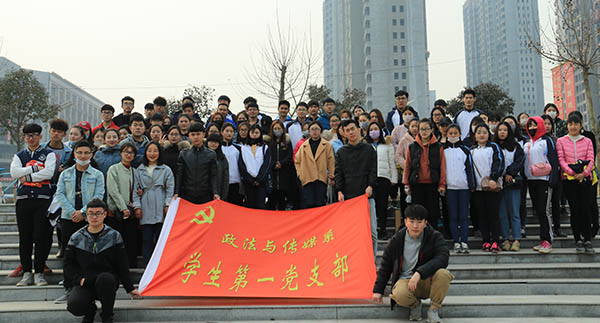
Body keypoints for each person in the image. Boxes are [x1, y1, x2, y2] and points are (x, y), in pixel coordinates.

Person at [372, 204, 453, 323]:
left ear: (425, 223)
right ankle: (415, 305)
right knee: (398, 294)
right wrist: (378, 290)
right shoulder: (396, 240)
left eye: (419, 222)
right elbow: (385, 266)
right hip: (405, 281)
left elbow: (443, 258)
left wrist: (420, 273)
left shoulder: (435, 237)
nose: (415, 226)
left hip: (426, 280)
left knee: (444, 274)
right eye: (411, 221)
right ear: (405, 222)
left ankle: (433, 310)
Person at [64, 199, 140, 323]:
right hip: (85, 282)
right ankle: (89, 311)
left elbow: (122, 264)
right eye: (91, 213)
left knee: (105, 279)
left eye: (98, 213)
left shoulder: (114, 236)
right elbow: (68, 265)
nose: (94, 217)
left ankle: (107, 315)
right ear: (86, 215)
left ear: (104, 214)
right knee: (74, 305)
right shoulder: (76, 238)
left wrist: (130, 288)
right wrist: (78, 279)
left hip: (106, 282)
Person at [10, 123, 56, 286]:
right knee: (25, 237)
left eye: (35, 135)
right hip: (23, 201)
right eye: (28, 135)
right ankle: (27, 272)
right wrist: (36, 168)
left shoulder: (48, 154)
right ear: (24, 137)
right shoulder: (20, 155)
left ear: (40, 136)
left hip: (42, 200)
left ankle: (39, 273)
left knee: (41, 236)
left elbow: (49, 173)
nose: (31, 138)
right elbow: (15, 173)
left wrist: (27, 176)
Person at [335, 119, 378, 256]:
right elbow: (338, 172)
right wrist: (339, 190)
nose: (351, 132)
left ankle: (372, 262)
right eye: (347, 130)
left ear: (359, 129)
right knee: (352, 232)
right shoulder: (341, 152)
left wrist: (370, 185)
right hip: (349, 197)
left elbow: (373, 170)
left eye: (353, 129)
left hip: (367, 195)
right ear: (344, 134)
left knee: (371, 232)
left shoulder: (368, 149)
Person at [56, 140, 105, 257]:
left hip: (89, 218)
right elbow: (60, 194)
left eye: (86, 153)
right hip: (69, 217)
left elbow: (98, 195)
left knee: (88, 252)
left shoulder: (97, 174)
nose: (83, 156)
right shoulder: (65, 173)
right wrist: (73, 212)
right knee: (69, 252)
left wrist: (83, 212)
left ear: (91, 154)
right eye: (80, 152)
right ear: (74, 154)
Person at [557, 114, 596, 254]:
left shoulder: (587, 141)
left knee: (585, 209)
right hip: (569, 180)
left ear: (580, 125)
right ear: (567, 125)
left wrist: (584, 173)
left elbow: (591, 159)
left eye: (576, 124)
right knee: (575, 210)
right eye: (570, 124)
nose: (573, 127)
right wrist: (571, 172)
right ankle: (577, 239)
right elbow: (561, 160)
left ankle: (588, 239)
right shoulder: (561, 141)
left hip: (585, 180)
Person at [133, 141, 174, 266]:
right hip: (146, 206)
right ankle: (147, 267)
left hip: (161, 205)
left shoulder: (166, 169)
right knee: (147, 240)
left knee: (161, 239)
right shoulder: (139, 170)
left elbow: (170, 189)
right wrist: (137, 206)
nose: (152, 153)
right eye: (149, 150)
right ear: (145, 153)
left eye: (155, 151)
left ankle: (161, 266)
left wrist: (167, 204)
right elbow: (135, 190)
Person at [523, 116, 560, 254]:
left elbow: (553, 160)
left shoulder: (547, 141)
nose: (532, 128)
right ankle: (542, 239)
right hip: (531, 180)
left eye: (535, 125)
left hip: (544, 180)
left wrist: (552, 180)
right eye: (530, 125)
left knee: (544, 211)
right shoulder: (526, 144)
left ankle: (547, 240)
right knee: (538, 210)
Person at [403, 119, 447, 231]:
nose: (424, 132)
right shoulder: (412, 147)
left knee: (433, 213)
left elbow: (442, 166)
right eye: (421, 129)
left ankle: (433, 238)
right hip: (416, 184)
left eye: (427, 129)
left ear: (431, 129)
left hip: (432, 184)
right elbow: (408, 165)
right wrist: (406, 183)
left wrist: (442, 184)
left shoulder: (438, 147)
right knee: (417, 214)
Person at [470, 123, 504, 253]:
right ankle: (485, 240)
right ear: (475, 135)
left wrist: (494, 179)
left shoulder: (494, 147)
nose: (481, 135)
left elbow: (499, 162)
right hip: (478, 189)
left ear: (488, 134)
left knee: (493, 215)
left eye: (484, 132)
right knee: (482, 215)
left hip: (492, 187)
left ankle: (495, 240)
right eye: (478, 132)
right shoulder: (472, 150)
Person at [444, 124, 476, 253]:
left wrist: (471, 184)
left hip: (464, 187)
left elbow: (469, 169)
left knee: (463, 216)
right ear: (446, 135)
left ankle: (464, 241)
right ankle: (456, 242)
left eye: (455, 133)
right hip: (450, 188)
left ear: (459, 134)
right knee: (453, 216)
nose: (452, 136)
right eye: (450, 133)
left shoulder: (465, 150)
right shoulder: (443, 150)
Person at [493, 122, 525, 252]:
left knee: (514, 212)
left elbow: (520, 161)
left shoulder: (516, 146)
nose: (502, 132)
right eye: (499, 130)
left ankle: (516, 239)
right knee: (502, 213)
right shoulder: (493, 146)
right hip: (499, 183)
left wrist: (510, 172)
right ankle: (505, 238)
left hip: (512, 183)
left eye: (505, 130)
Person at [106, 143, 139, 268]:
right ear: (121, 153)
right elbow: (113, 190)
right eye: (126, 151)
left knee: (130, 241)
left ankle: (129, 265)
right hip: (116, 212)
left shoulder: (134, 171)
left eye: (131, 152)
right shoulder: (113, 169)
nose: (128, 154)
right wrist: (123, 207)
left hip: (130, 212)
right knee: (116, 242)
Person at [365, 122, 397, 239]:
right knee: (370, 206)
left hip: (383, 177)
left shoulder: (387, 145)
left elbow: (391, 162)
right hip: (369, 179)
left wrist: (393, 178)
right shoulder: (366, 145)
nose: (374, 131)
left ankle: (382, 230)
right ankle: (371, 231)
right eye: (371, 129)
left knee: (382, 205)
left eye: (376, 129)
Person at [174, 122, 220, 204]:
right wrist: (177, 192)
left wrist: (215, 192)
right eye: (193, 134)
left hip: (206, 195)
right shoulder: (184, 154)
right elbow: (180, 174)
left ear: (203, 134)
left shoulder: (211, 154)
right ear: (189, 136)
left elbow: (213, 175)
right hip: (187, 195)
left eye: (198, 134)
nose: (196, 137)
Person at [295, 121, 335, 209]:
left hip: (321, 178)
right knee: (308, 204)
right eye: (312, 129)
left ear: (320, 131)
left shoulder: (327, 145)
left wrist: (331, 174)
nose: (314, 131)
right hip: (307, 179)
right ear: (309, 131)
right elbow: (297, 161)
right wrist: (300, 174)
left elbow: (331, 161)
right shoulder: (304, 146)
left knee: (320, 204)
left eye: (317, 129)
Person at [541, 114, 566, 237]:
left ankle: (557, 228)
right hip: (542, 177)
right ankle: (546, 230)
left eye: (549, 124)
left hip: (556, 175)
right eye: (544, 123)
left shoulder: (557, 140)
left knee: (555, 202)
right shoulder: (537, 141)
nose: (547, 126)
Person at [239, 124, 272, 209]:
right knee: (250, 205)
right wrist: (250, 179)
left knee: (260, 206)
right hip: (248, 182)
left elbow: (267, 165)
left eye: (257, 132)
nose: (254, 134)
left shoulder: (265, 147)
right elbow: (241, 165)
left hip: (261, 182)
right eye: (252, 132)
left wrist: (259, 179)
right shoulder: (243, 147)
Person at [266, 121, 295, 210]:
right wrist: (274, 164)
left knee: (282, 202)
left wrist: (281, 163)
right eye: (275, 129)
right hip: (272, 175)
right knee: (272, 202)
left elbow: (290, 155)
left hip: (284, 174)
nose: (277, 131)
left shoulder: (287, 141)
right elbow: (267, 156)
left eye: (279, 128)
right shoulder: (268, 142)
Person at [396, 118, 420, 216]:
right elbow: (398, 155)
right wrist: (406, 165)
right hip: (407, 174)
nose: (415, 129)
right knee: (405, 199)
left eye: (417, 126)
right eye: (412, 126)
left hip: (419, 175)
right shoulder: (404, 139)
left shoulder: (422, 139)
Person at [221, 123, 244, 205]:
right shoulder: (218, 148)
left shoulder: (238, 149)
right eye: (227, 131)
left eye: (231, 131)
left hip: (235, 182)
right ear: (222, 132)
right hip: (221, 182)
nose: (229, 133)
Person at [206, 134, 229, 201]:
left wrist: (224, 195)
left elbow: (225, 178)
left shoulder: (222, 158)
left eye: (216, 142)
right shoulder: (202, 155)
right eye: (211, 142)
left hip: (218, 191)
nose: (213, 144)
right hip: (203, 192)